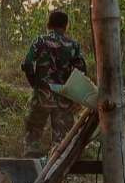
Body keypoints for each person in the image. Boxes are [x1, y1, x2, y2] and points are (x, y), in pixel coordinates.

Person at [21, 9, 87, 156]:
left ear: (48, 24)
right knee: (62, 144)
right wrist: (73, 94)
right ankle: (56, 173)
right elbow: (81, 71)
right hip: (64, 96)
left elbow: (27, 64)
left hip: (42, 95)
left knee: (32, 138)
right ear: (66, 26)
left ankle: (32, 171)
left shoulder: (40, 41)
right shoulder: (73, 45)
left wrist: (35, 85)